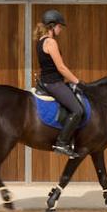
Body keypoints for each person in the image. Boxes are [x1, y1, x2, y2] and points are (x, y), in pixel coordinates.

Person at [34, 9, 84, 157]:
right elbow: (61, 67)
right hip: (53, 83)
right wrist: (78, 82)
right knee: (78, 110)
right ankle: (62, 143)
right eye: (59, 27)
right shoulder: (50, 42)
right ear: (52, 26)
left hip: (48, 81)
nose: (60, 29)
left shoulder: (41, 40)